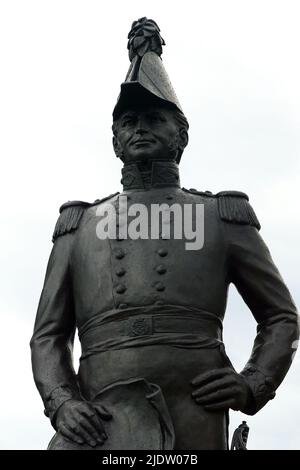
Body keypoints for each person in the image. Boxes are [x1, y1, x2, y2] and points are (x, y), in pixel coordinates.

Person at [30, 18, 299, 450]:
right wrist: (62, 404)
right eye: (130, 121)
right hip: (101, 418)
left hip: (193, 411)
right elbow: (47, 335)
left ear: (182, 136)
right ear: (115, 140)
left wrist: (253, 383)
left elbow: (281, 316)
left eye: (155, 118)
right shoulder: (78, 228)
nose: (140, 128)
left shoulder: (221, 217)